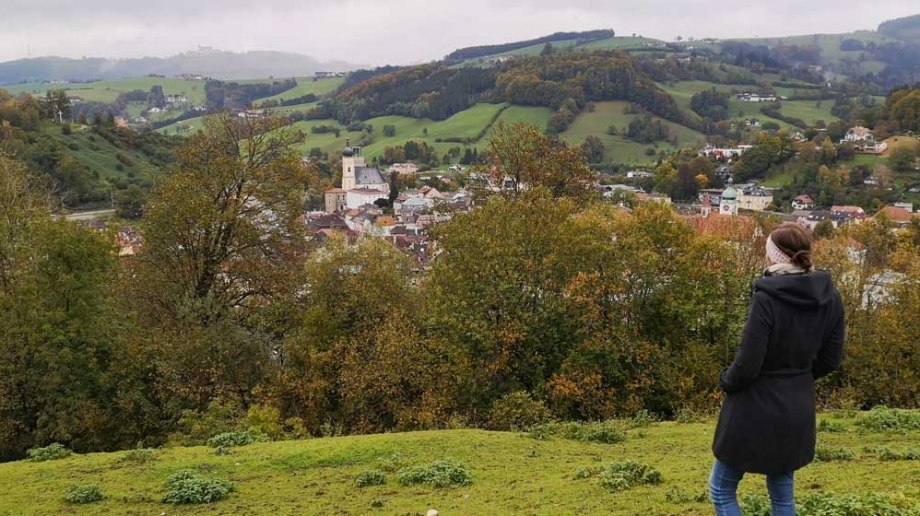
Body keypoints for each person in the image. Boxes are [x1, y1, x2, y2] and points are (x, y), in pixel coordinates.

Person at [709, 222, 845, 515]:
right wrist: (797, 379)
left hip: (754, 407)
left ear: (775, 256)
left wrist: (726, 382)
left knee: (721, 488)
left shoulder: (767, 298)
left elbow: (748, 363)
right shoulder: (830, 296)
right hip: (796, 406)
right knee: (783, 497)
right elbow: (831, 358)